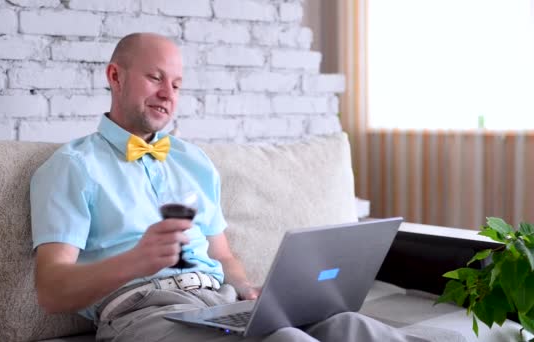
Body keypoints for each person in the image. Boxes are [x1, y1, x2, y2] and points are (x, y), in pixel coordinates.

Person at [30, 32, 427, 342]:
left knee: (350, 328)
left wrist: (251, 290)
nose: (168, 94)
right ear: (115, 76)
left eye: (177, 84)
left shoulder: (194, 162)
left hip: (218, 304)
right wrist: (136, 260)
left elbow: (222, 256)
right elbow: (51, 292)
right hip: (142, 315)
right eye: (155, 78)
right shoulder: (72, 167)